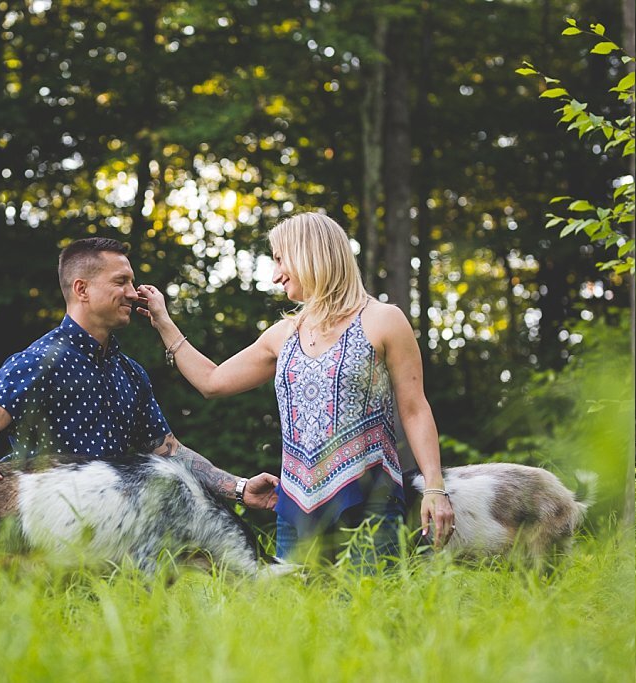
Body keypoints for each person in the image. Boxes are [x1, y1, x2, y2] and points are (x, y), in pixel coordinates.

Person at [138, 211, 454, 566]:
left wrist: (434, 488)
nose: (275, 275)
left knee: (370, 614)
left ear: (310, 253)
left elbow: (414, 409)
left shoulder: (384, 320)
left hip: (370, 504)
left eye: (279, 259)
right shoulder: (282, 335)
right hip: (295, 510)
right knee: (300, 617)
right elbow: (212, 381)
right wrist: (163, 323)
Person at [0, 237, 278, 513]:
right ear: (82, 289)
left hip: (110, 536)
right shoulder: (40, 359)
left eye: (132, 281)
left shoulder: (131, 374)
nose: (134, 292)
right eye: (121, 282)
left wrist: (240, 488)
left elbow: (170, 451)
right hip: (38, 532)